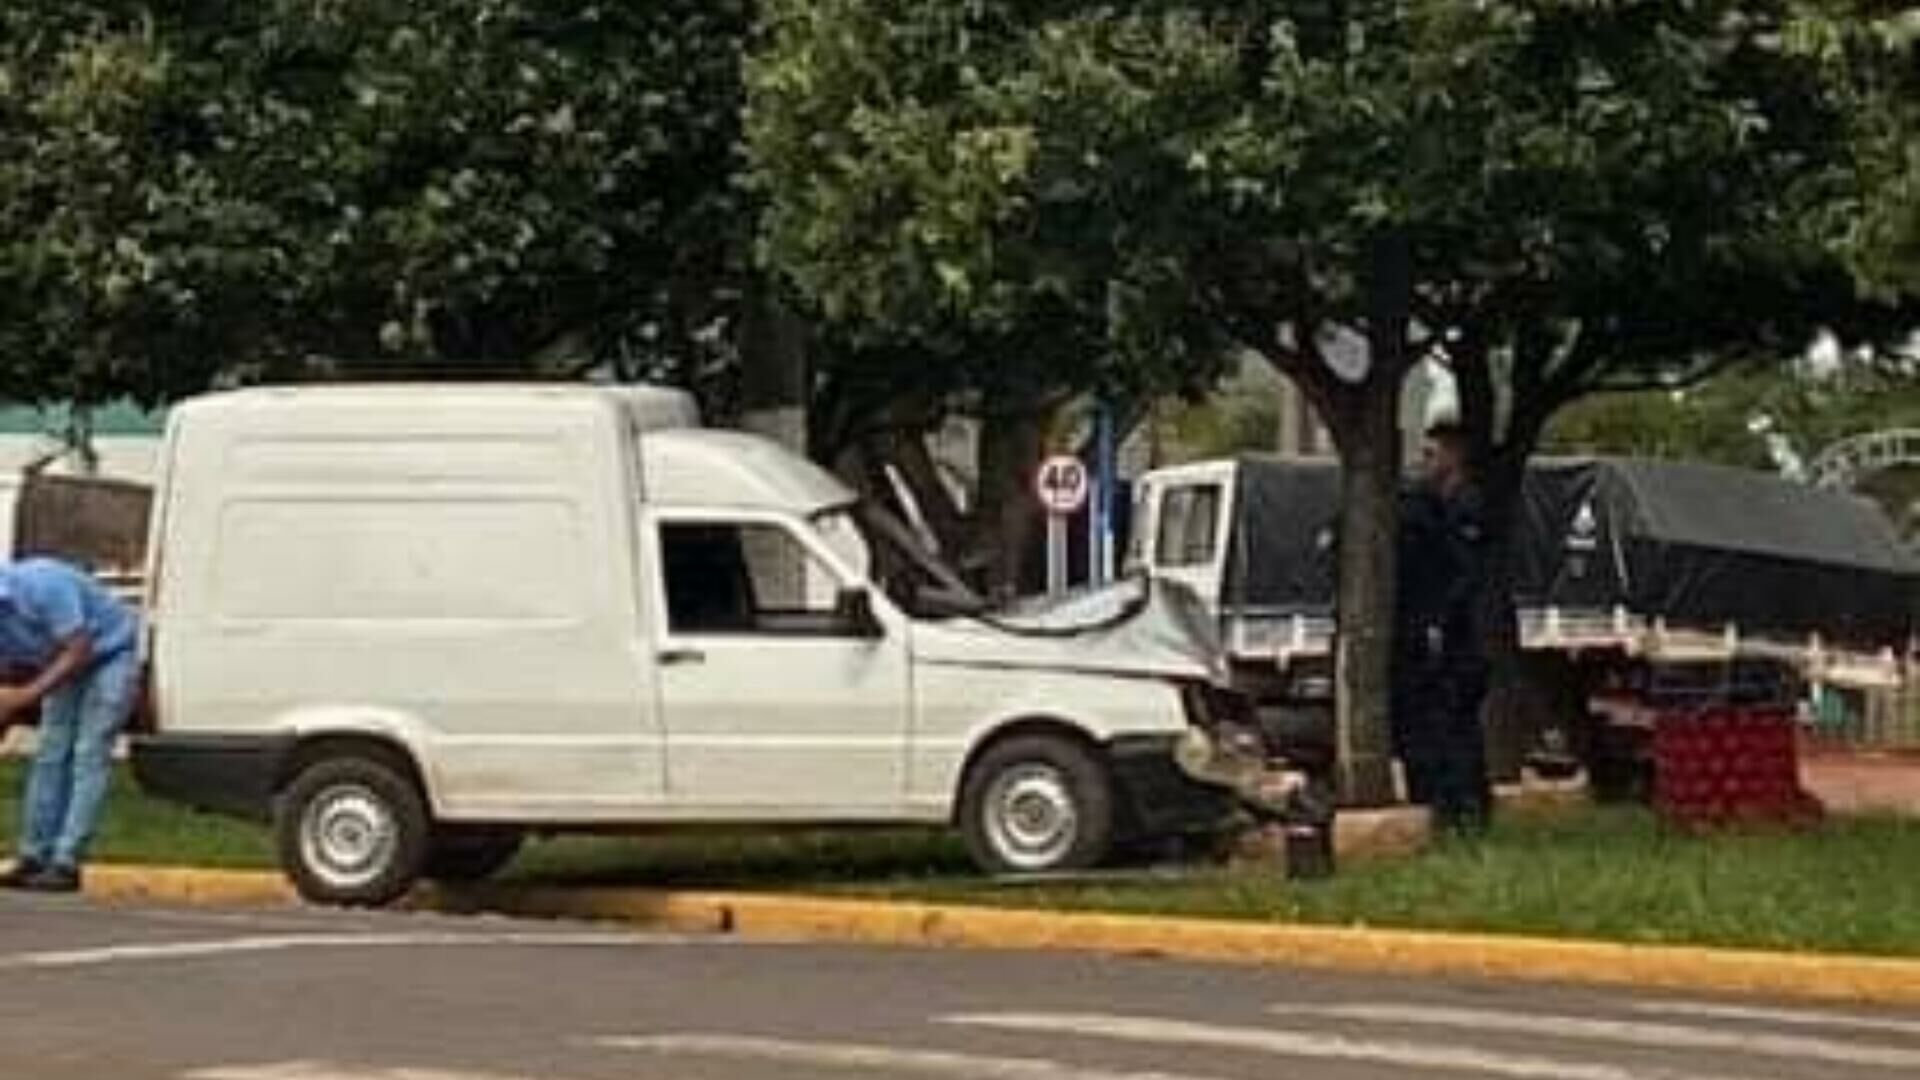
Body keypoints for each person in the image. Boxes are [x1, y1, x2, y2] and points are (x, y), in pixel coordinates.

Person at [0, 556, 141, 892]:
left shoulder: (45, 586)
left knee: (88, 753)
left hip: (108, 655)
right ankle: (34, 855)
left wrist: (26, 696)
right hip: (58, 661)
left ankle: (67, 862)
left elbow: (79, 648)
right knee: (50, 753)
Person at [1392, 419, 1493, 834]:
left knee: (1454, 728)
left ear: (1454, 456)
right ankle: (1445, 805)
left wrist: (1437, 621)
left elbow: (1460, 575)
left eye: (1432, 454)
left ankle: (1464, 808)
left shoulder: (1468, 507)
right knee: (1436, 728)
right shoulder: (1428, 504)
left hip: (1459, 640)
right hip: (1437, 638)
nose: (1424, 462)